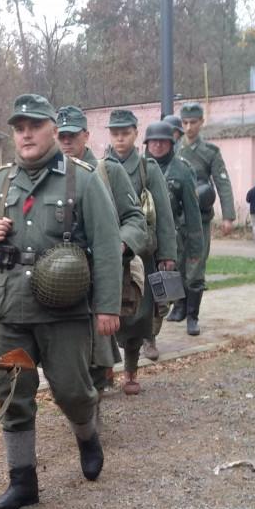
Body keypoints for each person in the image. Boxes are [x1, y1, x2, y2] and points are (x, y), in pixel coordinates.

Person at [0, 94, 121, 509]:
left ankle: (87, 435)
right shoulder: (1, 181)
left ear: (53, 128)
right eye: (19, 128)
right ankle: (23, 481)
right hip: (10, 308)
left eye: (34, 125)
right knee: (12, 395)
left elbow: (107, 246)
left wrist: (108, 307)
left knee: (73, 390)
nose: (26, 134)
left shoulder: (82, 179)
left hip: (64, 310)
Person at [55, 105, 147, 393]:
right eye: (62, 136)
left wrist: (119, 242)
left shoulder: (108, 171)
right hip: (62, 278)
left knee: (97, 345)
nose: (67, 142)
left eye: (73, 136)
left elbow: (136, 218)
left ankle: (90, 410)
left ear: (86, 135)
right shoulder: (52, 176)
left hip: (100, 274)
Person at [104, 112, 178, 395]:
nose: (120, 138)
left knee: (137, 315)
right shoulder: (101, 166)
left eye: (125, 132)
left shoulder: (148, 168)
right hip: (108, 252)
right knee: (107, 311)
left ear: (136, 133)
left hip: (141, 253)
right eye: (115, 133)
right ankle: (107, 368)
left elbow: (164, 213)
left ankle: (131, 372)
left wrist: (167, 254)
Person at [173, 101, 236, 337]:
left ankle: (192, 316)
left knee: (196, 265)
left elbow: (222, 182)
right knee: (176, 261)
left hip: (199, 217)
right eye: (185, 123)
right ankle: (178, 306)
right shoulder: (174, 149)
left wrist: (228, 215)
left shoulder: (210, 152)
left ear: (201, 122)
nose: (188, 127)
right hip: (176, 216)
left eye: (193, 122)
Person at [144, 120, 204, 357]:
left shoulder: (181, 170)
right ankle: (139, 338)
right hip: (141, 239)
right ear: (147, 143)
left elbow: (192, 212)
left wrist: (195, 246)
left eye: (163, 141)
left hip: (170, 242)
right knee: (138, 292)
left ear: (171, 143)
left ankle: (152, 337)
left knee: (162, 295)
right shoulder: (139, 166)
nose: (157, 146)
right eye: (153, 141)